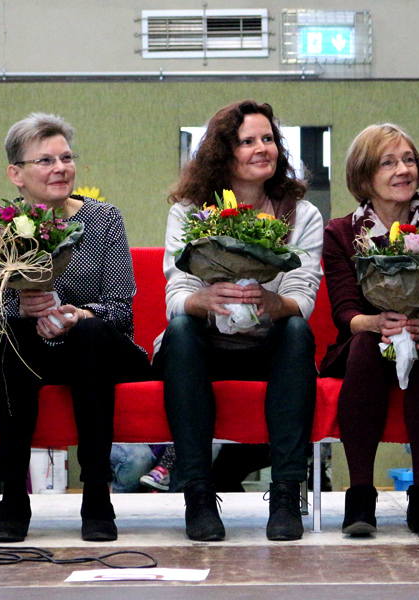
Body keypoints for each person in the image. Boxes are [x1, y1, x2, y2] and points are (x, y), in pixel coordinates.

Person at [152, 100, 323, 542]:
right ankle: (198, 494)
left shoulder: (301, 214)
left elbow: (303, 297)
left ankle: (286, 495)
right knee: (180, 329)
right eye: (248, 141)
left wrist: (273, 303)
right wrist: (204, 299)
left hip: (266, 349)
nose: (262, 148)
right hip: (204, 348)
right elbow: (176, 296)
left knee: (297, 331)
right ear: (223, 153)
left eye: (268, 139)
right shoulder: (189, 211)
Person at [0, 113, 152, 543]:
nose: (60, 168)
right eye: (46, 160)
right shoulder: (0, 231)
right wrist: (23, 308)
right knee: (11, 339)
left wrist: (78, 315)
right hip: (32, 353)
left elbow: (121, 311)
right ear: (16, 174)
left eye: (66, 158)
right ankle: (13, 497)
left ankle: (97, 495)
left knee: (88, 334)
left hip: (98, 350)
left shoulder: (103, 219)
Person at [320, 124, 419, 539]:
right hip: (365, 340)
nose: (404, 170)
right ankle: (360, 495)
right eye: (389, 163)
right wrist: (377, 323)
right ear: (364, 176)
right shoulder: (340, 233)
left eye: (408, 160)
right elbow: (344, 310)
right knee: (365, 344)